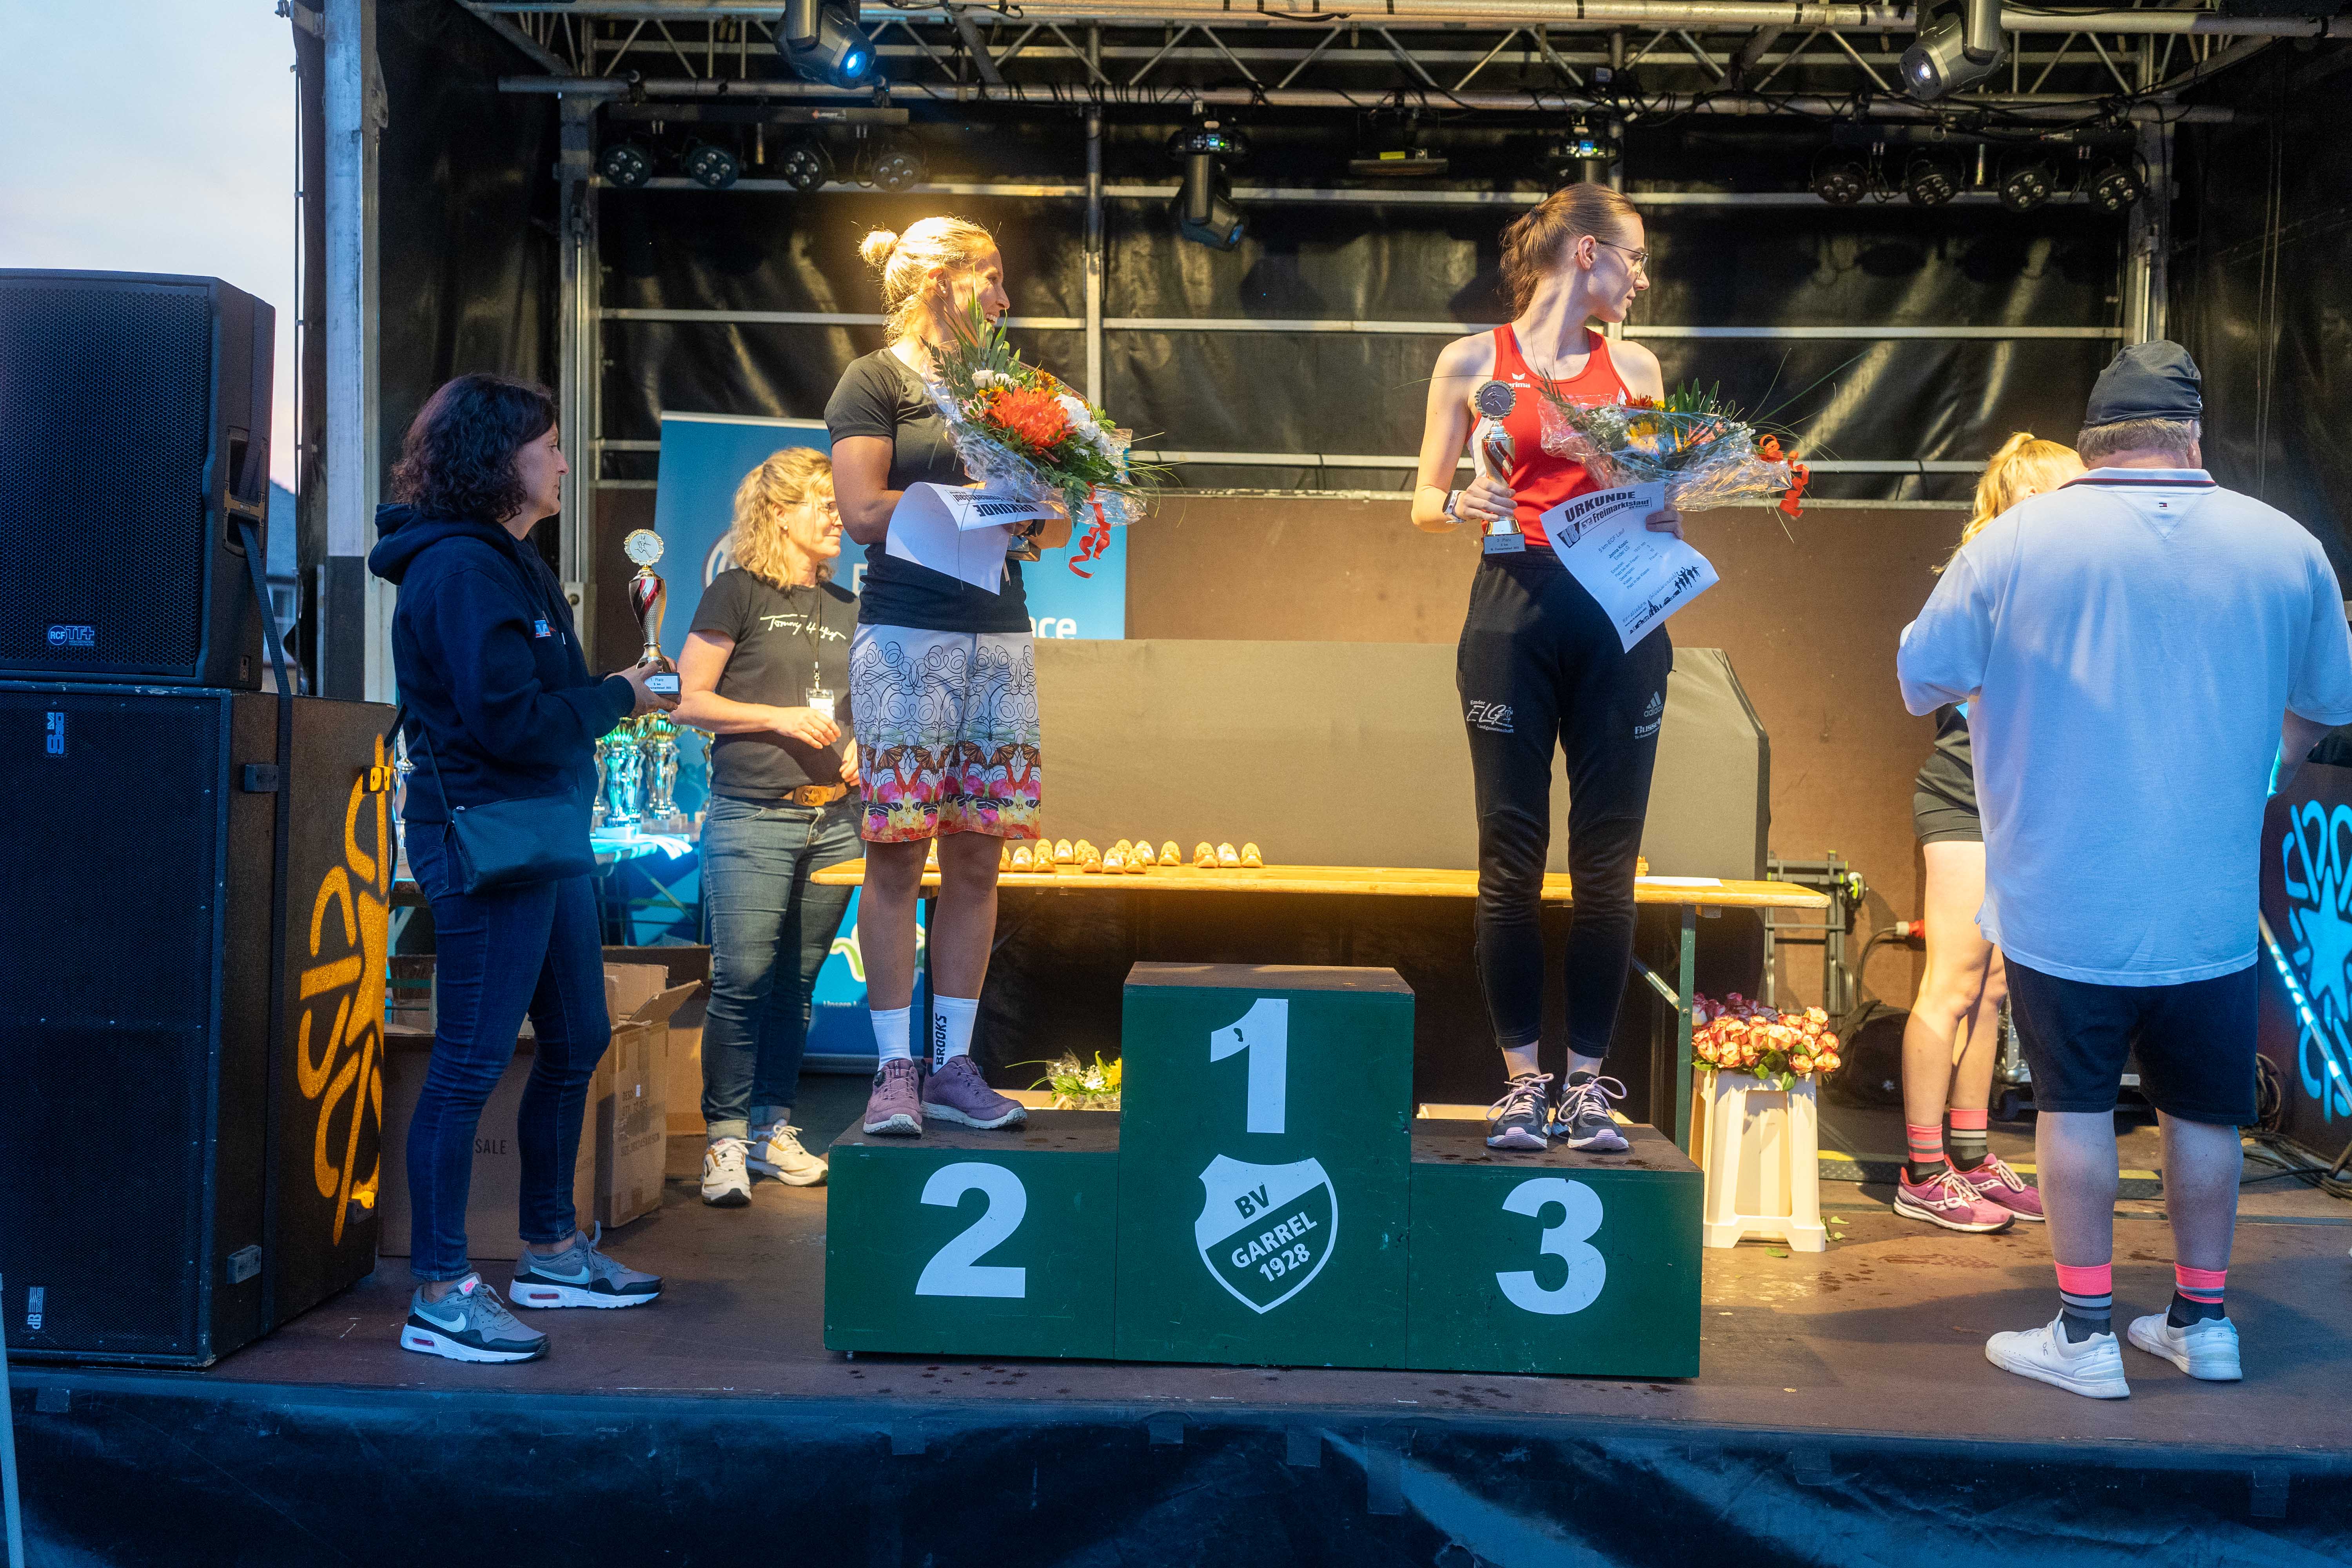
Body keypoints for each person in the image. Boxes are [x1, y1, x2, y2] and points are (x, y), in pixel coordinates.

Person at [1898, 341, 2352, 1398]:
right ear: (2193, 436)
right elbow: (2329, 704)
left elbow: (1924, 673)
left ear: (2095, 440)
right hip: (2206, 899)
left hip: (2066, 889)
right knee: (2204, 1111)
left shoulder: (2016, 540)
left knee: (2076, 1105)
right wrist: (2266, 769)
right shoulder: (2285, 545)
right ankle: (2205, 1320)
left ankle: (2086, 1330)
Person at [369, 374, 672, 1364]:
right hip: (487, 839)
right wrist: (620, 697)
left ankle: (549, 1247)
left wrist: (609, 694)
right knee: (469, 1063)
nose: (564, 463)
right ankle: (441, 1290)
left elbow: (534, 707)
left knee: (578, 1036)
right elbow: (508, 723)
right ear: (500, 459)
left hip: (541, 834)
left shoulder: (509, 560)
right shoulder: (461, 569)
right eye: (548, 445)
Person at [1408, 182, 1683, 1154]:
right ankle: (1523, 1083)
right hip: (1511, 616)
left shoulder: (1637, 367)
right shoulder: (1472, 360)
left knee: (1607, 867)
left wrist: (1677, 498)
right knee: (1511, 860)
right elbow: (1423, 500)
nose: (1642, 279)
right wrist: (1462, 504)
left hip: (1619, 619)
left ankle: (1588, 1087)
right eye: (1634, 258)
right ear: (1586, 253)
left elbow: (1659, 501)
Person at [827, 218, 1073, 1138]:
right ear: (939, 281)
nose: (1005, 300)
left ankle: (953, 1063)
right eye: (991, 279)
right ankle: (894, 1069)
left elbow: (1048, 522)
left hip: (999, 634)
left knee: (977, 851)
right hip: (907, 633)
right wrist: (985, 501)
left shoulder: (1010, 389)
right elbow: (862, 510)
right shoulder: (877, 379)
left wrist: (1041, 498)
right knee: (897, 850)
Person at [1895, 434, 2084, 1233]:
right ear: (2029, 500)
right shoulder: (1986, 575)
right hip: (1966, 799)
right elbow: (1928, 671)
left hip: (2025, 804)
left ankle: (1970, 1156)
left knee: (1996, 985)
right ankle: (1922, 1169)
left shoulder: (2076, 582)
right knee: (1953, 980)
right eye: (2071, 491)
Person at [676, 448, 860, 1205]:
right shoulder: (735, 592)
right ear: (780, 514)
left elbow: (861, 710)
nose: (840, 517)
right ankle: (723, 1139)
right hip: (752, 813)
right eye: (824, 503)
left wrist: (864, 749)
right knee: (744, 980)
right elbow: (688, 699)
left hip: (838, 822)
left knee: (796, 986)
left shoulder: (850, 605)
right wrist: (778, 718)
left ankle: (771, 1129)